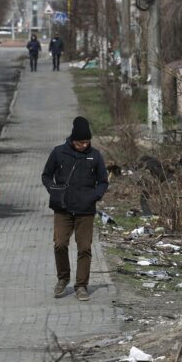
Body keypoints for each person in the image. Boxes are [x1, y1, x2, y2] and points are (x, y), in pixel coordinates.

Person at [41, 117, 108, 301]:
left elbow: (103, 181)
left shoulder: (95, 156)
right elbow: (46, 175)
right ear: (73, 140)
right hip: (63, 209)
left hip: (85, 210)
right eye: (80, 142)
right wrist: (54, 190)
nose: (83, 146)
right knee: (60, 244)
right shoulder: (59, 152)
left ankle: (81, 286)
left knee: (84, 248)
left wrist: (95, 196)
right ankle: (63, 278)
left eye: (86, 142)